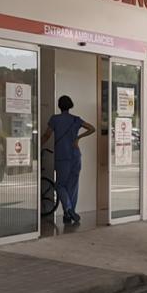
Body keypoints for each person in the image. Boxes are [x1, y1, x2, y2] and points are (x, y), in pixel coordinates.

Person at [43, 95, 95, 225]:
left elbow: (47, 135)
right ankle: (69, 214)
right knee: (73, 186)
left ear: (59, 106)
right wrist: (78, 138)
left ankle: (68, 208)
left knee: (60, 185)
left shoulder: (55, 119)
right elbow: (92, 128)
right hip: (76, 156)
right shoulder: (75, 120)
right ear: (70, 105)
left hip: (62, 157)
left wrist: (37, 146)